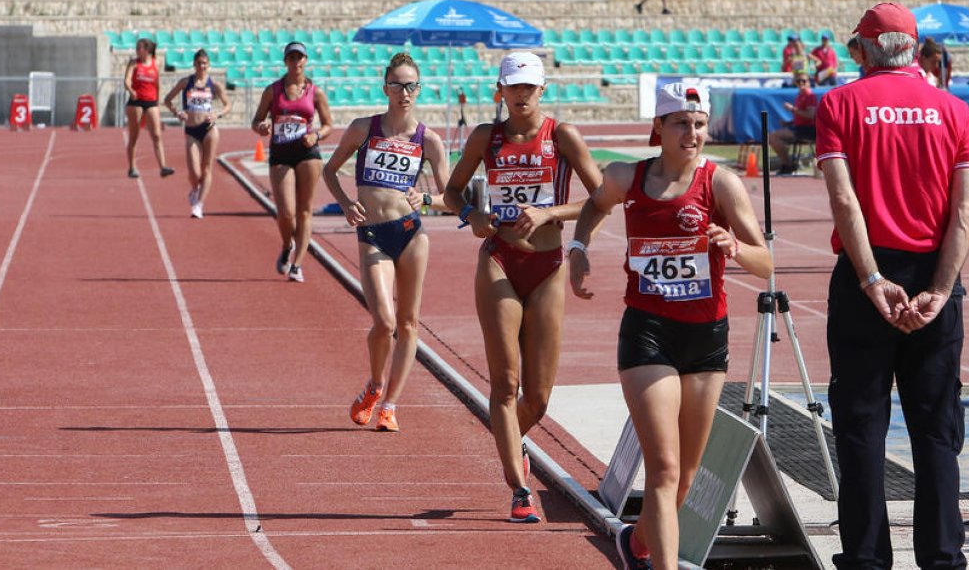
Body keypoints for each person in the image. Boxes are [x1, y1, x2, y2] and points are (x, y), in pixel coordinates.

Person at [568, 82, 770, 570]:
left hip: (706, 337)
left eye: (700, 125)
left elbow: (766, 262)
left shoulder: (720, 183)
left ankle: (637, 542)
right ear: (658, 127)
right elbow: (594, 205)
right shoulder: (625, 177)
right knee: (663, 469)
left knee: (686, 477)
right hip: (647, 333)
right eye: (682, 123)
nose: (693, 134)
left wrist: (734, 248)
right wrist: (578, 250)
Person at [815, 2, 969, 569]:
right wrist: (939, 288)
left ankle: (865, 560)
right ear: (913, 48)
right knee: (936, 430)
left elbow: (844, 202)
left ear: (864, 49)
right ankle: (942, 559)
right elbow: (965, 214)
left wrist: (870, 279)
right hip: (936, 273)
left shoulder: (839, 104)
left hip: (868, 278)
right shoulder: (954, 111)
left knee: (861, 426)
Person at [442, 52, 602, 524]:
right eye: (513, 86)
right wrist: (471, 216)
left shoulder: (562, 136)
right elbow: (452, 191)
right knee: (505, 383)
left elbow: (601, 198)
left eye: (528, 86)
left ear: (542, 88)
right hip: (499, 260)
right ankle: (518, 488)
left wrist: (551, 214)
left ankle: (510, 439)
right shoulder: (485, 138)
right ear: (501, 90)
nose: (521, 94)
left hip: (548, 265)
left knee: (538, 396)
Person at [322, 52, 451, 432]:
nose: (404, 92)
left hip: (411, 234)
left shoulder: (429, 140)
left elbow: (452, 197)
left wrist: (426, 200)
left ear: (419, 89)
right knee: (384, 321)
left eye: (411, 85)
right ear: (386, 89)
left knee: (409, 324)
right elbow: (330, 170)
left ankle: (391, 405)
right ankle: (375, 384)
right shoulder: (365, 128)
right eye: (397, 85)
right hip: (373, 234)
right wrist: (346, 204)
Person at [251, 42, 334, 283]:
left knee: (304, 210)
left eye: (300, 57)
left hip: (308, 153)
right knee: (286, 211)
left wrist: (316, 134)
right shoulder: (273, 90)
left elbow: (329, 124)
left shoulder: (315, 92)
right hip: (280, 152)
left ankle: (297, 264)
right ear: (285, 61)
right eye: (291, 57)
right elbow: (257, 121)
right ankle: (287, 244)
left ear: (306, 60)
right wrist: (262, 127)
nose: (296, 62)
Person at [162, 49, 231, 219]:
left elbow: (227, 105)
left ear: (209, 65)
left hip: (209, 129)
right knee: (194, 173)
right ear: (194, 64)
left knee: (207, 167)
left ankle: (199, 204)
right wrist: (177, 112)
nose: (202, 66)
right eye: (199, 63)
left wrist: (218, 114)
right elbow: (167, 99)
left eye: (205, 64)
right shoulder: (186, 83)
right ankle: (195, 189)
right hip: (191, 130)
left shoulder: (214, 85)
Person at [124, 38, 175, 179]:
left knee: (157, 135)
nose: (137, 50)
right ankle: (132, 167)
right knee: (134, 136)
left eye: (139, 48)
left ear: (147, 50)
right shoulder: (134, 63)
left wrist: (157, 101)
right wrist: (130, 90)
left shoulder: (155, 63)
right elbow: (127, 79)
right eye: (136, 47)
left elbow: (157, 83)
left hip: (151, 101)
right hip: (136, 102)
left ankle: (163, 167)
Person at [768, 73, 817, 174]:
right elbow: (801, 117)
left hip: (807, 129)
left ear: (809, 82)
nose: (801, 83)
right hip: (798, 127)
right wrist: (788, 123)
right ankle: (786, 161)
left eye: (804, 81)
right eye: (798, 81)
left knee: (773, 136)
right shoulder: (800, 96)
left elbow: (810, 115)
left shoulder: (810, 96)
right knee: (773, 137)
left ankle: (787, 164)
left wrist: (792, 109)